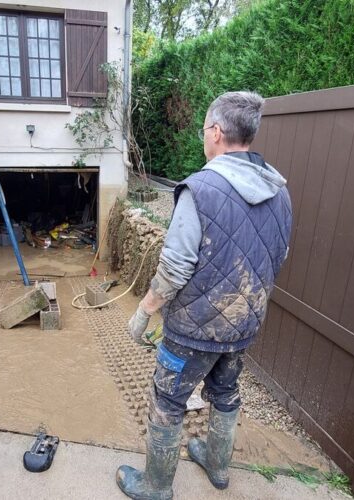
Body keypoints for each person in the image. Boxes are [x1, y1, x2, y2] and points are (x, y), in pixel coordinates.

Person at [116, 91, 293, 499]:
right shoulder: (279, 189)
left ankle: (156, 486)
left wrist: (144, 311)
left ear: (215, 132)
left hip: (192, 331)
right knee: (227, 394)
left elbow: (175, 267)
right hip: (244, 324)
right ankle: (217, 465)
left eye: (203, 131)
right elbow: (278, 255)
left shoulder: (200, 189)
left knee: (167, 398)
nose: (203, 138)